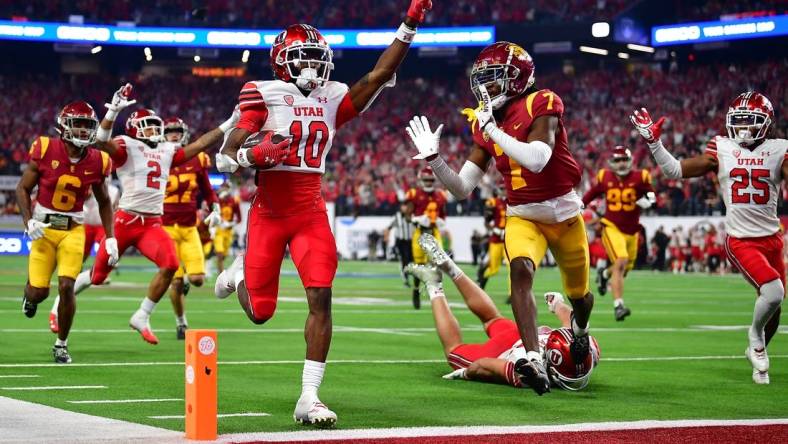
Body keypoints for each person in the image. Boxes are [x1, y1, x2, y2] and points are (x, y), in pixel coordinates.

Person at [212, 1, 434, 427]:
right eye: (303, 59)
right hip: (270, 211)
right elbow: (224, 158)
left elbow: (379, 75)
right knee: (261, 312)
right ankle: (237, 274)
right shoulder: (262, 91)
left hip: (311, 209)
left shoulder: (333, 97)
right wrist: (251, 152)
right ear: (282, 62)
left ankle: (309, 397)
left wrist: (409, 24)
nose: (314, 66)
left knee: (321, 295)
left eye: (318, 58)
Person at [406, 41, 593, 395]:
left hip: (565, 212)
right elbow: (462, 188)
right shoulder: (483, 123)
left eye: (493, 79)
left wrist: (493, 130)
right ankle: (534, 359)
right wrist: (435, 159)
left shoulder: (542, 101)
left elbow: (537, 159)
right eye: (481, 80)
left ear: (517, 78)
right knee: (520, 272)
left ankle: (580, 332)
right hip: (523, 214)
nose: (484, 88)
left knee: (580, 294)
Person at [631, 92, 785, 384]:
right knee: (773, 291)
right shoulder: (722, 147)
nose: (743, 130)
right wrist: (654, 144)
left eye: (750, 123)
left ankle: (758, 353)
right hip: (741, 239)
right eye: (738, 123)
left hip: (772, 237)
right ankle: (755, 337)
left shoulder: (780, 149)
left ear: (767, 124)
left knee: (774, 305)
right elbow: (675, 170)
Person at [73, 84, 236, 345]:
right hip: (125, 220)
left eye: (154, 124)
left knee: (171, 264)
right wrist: (113, 111)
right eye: (148, 125)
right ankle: (62, 298)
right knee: (98, 276)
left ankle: (142, 314)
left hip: (152, 223)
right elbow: (101, 140)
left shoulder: (167, 150)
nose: (154, 129)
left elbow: (200, 144)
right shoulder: (126, 145)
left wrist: (229, 123)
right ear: (136, 128)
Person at [406, 234, 599, 390]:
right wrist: (466, 373)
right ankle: (434, 284)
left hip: (525, 334)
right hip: (506, 353)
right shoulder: (528, 373)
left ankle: (450, 266)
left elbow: (569, 320)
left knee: (492, 318)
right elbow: (483, 365)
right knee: (453, 351)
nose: (576, 375)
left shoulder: (584, 343)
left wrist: (557, 304)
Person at [17, 101, 117, 363]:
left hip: (73, 229)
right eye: (79, 124)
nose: (84, 131)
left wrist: (110, 237)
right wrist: (28, 222)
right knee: (39, 292)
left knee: (66, 286)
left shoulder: (98, 160)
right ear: (63, 126)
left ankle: (61, 343)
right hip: (44, 228)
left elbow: (105, 201)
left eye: (88, 125)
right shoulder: (45, 148)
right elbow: (22, 189)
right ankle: (29, 296)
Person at [162, 117, 221, 340]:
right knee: (175, 281)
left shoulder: (197, 159)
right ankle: (181, 322)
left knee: (196, 279)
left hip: (188, 228)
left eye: (177, 131)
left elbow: (207, 189)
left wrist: (215, 207)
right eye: (170, 132)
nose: (174, 135)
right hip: (166, 228)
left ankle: (185, 283)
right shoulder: (158, 159)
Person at [582, 146, 655, 321]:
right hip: (611, 226)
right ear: (611, 163)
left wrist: (649, 200)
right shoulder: (604, 177)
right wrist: (578, 205)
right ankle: (618, 306)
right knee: (620, 261)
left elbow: (652, 194)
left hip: (632, 231)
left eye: (624, 159)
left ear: (630, 160)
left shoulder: (641, 176)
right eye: (617, 160)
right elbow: (590, 194)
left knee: (625, 269)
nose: (621, 163)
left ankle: (604, 275)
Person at [48, 181, 120, 334]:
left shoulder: (113, 190)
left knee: (106, 257)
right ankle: (71, 278)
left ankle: (98, 271)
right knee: (74, 267)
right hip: (84, 226)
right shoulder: (88, 185)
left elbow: (114, 208)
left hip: (102, 225)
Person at [405, 166, 448, 308]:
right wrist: (416, 219)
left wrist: (441, 221)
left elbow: (443, 215)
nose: (429, 183)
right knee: (420, 265)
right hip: (420, 232)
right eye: (426, 180)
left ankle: (436, 291)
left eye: (431, 180)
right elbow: (407, 216)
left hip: (434, 231)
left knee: (438, 262)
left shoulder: (440, 195)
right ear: (421, 180)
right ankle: (416, 290)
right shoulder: (414, 194)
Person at [477, 187, 506, 290]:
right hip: (496, 239)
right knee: (493, 269)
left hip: (509, 240)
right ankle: (480, 282)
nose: (505, 191)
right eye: (503, 188)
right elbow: (486, 221)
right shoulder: (493, 202)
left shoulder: (513, 202)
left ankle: (513, 295)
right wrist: (495, 230)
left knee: (513, 267)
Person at [384, 201, 415, 287]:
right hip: (401, 242)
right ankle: (405, 280)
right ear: (401, 207)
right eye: (404, 206)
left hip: (410, 241)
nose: (405, 208)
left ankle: (410, 276)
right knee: (404, 260)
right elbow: (388, 227)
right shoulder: (397, 217)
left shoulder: (412, 216)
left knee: (411, 261)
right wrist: (386, 238)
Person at [214, 182, 241, 273]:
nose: (224, 189)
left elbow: (239, 218)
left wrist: (231, 224)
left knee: (224, 255)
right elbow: (212, 212)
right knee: (220, 254)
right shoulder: (217, 200)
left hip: (229, 231)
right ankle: (220, 274)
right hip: (219, 229)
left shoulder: (233, 201)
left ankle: (219, 265)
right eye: (223, 187)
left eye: (226, 188)